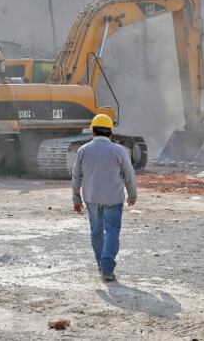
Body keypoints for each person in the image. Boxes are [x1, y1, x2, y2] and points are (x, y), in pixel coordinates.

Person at [71, 114, 137, 282]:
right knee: (112, 232)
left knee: (96, 232)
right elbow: (129, 175)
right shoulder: (119, 151)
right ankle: (107, 268)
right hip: (114, 199)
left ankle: (102, 265)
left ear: (92, 131)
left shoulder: (83, 150)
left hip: (91, 198)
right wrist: (132, 194)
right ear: (110, 133)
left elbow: (76, 176)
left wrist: (76, 199)